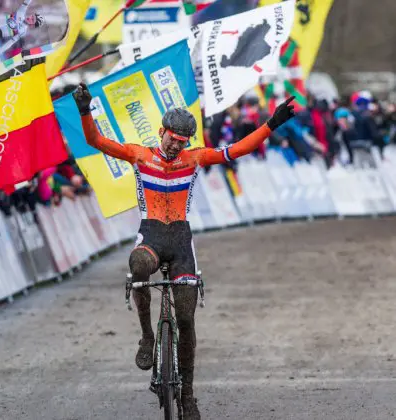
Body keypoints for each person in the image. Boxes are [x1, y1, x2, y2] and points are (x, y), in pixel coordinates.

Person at [72, 83, 296, 420]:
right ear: (161, 131)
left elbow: (237, 150)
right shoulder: (139, 154)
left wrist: (271, 124)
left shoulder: (194, 158)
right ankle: (148, 337)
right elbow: (95, 142)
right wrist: (84, 111)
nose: (177, 143)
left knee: (187, 320)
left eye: (183, 139)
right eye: (172, 137)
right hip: (150, 236)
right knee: (138, 264)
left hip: (180, 241)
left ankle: (188, 395)